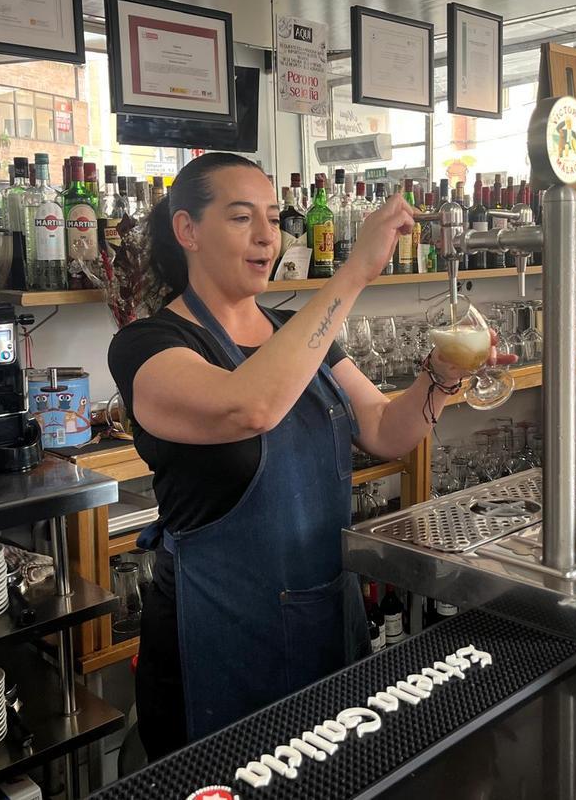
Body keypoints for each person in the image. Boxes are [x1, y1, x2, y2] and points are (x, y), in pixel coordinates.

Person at [108, 152, 510, 758]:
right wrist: (352, 273)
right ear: (187, 230)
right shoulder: (147, 345)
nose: (267, 236)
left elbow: (383, 429)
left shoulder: (298, 333)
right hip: (218, 636)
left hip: (325, 614)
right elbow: (250, 406)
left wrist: (442, 377)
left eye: (273, 217)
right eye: (242, 218)